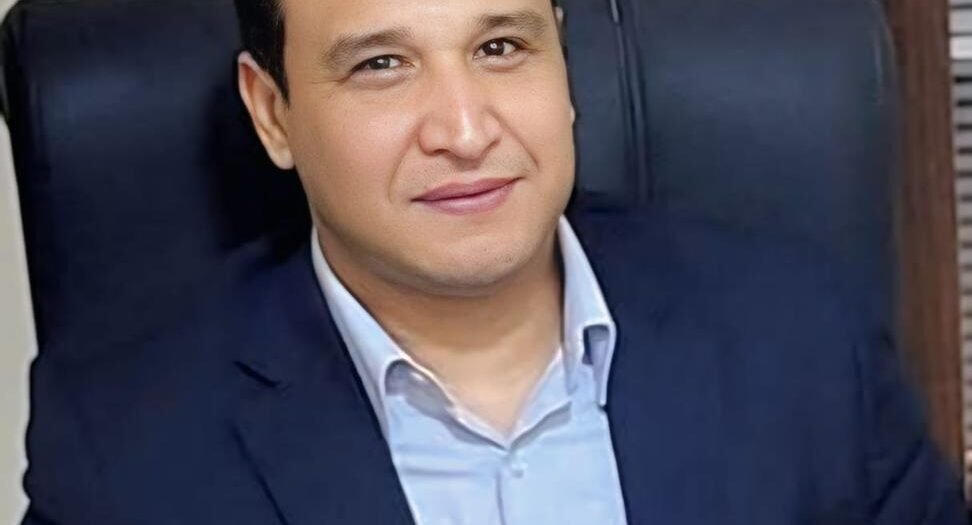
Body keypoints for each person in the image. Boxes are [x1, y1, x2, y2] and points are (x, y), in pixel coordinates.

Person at [20, 0, 968, 523]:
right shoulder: (123, 448)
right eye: (381, 65)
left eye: (502, 46)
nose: (466, 130)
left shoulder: (801, 343)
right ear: (273, 113)